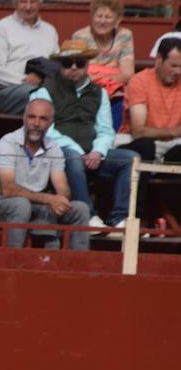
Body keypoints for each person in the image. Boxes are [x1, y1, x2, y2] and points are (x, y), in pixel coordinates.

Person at [29, 39, 139, 231]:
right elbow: (45, 129)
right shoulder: (45, 91)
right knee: (73, 158)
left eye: (79, 63)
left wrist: (97, 152)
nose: (73, 68)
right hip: (58, 152)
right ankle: (88, 215)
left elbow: (105, 130)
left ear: (87, 65)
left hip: (92, 154)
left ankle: (119, 218)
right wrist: (79, 151)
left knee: (131, 159)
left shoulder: (99, 93)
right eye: (67, 63)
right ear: (60, 66)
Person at [0, 98, 89, 250]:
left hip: (34, 205)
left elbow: (62, 187)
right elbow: (8, 190)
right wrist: (49, 199)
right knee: (21, 204)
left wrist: (60, 199)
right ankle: (12, 258)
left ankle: (78, 265)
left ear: (51, 123)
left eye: (43, 119)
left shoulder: (53, 147)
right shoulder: (7, 144)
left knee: (80, 209)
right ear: (24, 118)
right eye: (32, 117)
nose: (36, 123)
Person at [0, 0, 58, 115]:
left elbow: (55, 66)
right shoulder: (1, 28)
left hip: (42, 88)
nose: (28, 7)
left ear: (40, 2)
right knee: (44, 96)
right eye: (23, 1)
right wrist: (26, 80)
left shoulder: (50, 31)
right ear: (15, 2)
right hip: (6, 91)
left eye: (33, 1)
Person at [71, 0, 134, 128]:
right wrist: (112, 74)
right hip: (86, 91)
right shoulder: (80, 37)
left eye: (108, 17)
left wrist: (96, 75)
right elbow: (77, 73)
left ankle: (113, 139)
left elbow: (127, 74)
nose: (102, 21)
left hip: (116, 93)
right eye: (99, 16)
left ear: (118, 20)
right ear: (92, 18)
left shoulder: (125, 36)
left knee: (121, 99)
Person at [121, 38, 181, 164]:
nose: (178, 72)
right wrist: (173, 131)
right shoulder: (140, 81)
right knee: (146, 147)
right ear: (159, 59)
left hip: (174, 145)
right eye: (174, 66)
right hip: (141, 143)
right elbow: (138, 131)